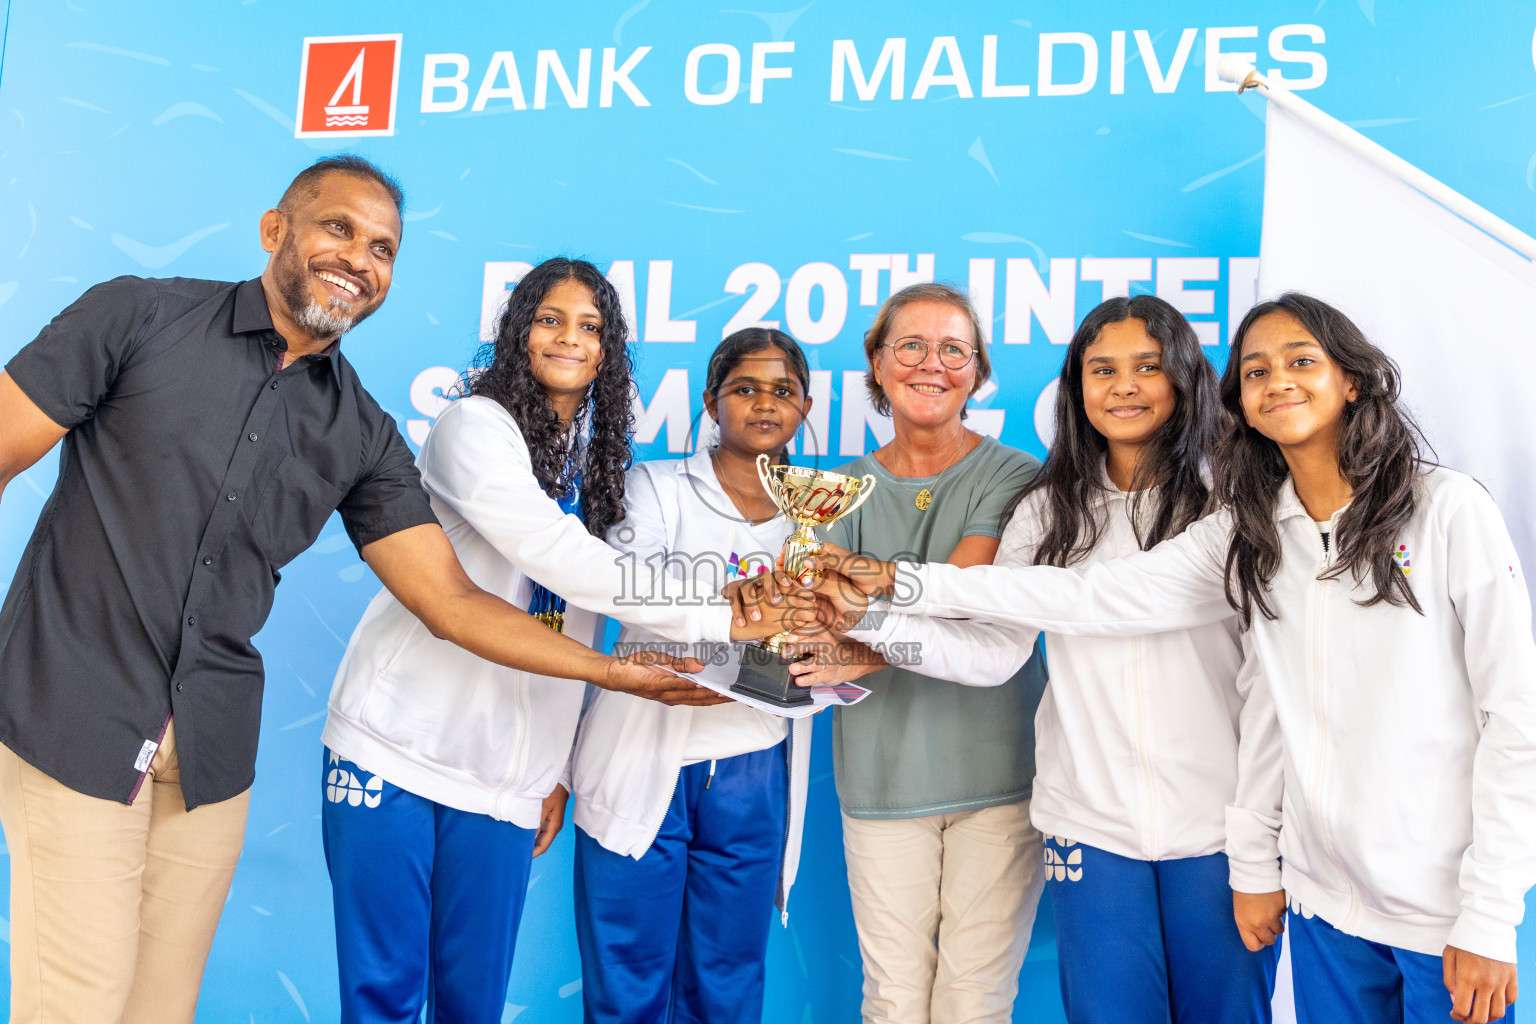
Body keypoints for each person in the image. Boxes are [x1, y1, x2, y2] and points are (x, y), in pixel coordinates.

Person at [0, 158, 716, 1024]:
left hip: (211, 751)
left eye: (382, 248)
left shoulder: (359, 431)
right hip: (74, 709)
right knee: (78, 1001)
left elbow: (450, 603)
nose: (359, 259)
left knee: (160, 1008)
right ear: (276, 230)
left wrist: (613, 675)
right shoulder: (138, 314)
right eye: (338, 228)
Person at [808, 293, 1536, 1024]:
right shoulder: (1101, 511)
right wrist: (881, 611)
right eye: (1102, 369)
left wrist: (1261, 855)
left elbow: (1500, 718)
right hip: (1126, 836)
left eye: (1149, 367)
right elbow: (1038, 628)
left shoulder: (1279, 508)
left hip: (1240, 841)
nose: (1125, 386)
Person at [321, 265, 805, 1023]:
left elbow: (569, 625)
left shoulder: (595, 454)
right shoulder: (475, 426)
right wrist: (722, 612)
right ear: (518, 331)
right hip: (398, 743)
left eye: (590, 326)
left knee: (473, 1001)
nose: (569, 339)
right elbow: (560, 560)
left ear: (609, 351)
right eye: (550, 319)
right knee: (383, 995)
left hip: (503, 775)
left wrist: (547, 767)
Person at [747, 282, 1048, 1024]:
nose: (931, 364)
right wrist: (842, 632)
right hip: (881, 783)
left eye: (954, 349)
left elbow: (966, 594)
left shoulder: (1015, 476)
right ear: (877, 364)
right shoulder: (833, 491)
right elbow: (821, 623)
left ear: (977, 373)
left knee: (973, 1002)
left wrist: (866, 644)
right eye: (910, 345)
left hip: (1000, 780)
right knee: (891, 1001)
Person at [570, 327, 818, 1024]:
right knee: (627, 976)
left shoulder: (817, 515)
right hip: (646, 747)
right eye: (744, 388)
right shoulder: (652, 487)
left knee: (728, 978)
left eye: (782, 391)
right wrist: (736, 616)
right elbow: (628, 590)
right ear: (711, 401)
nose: (763, 404)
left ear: (805, 405)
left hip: (750, 760)